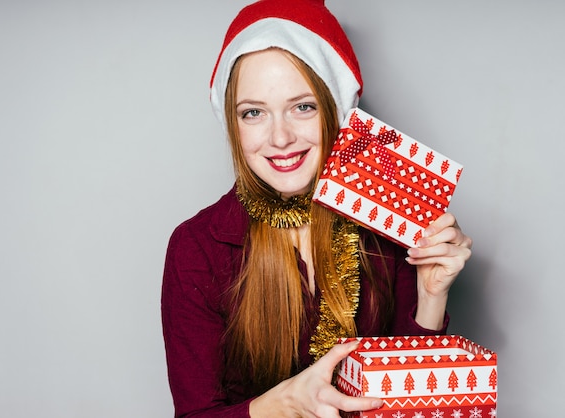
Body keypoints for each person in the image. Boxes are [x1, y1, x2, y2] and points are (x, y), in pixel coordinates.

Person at [161, 0, 472, 416]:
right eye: (253, 113)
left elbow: (409, 402)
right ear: (233, 126)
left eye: (302, 107)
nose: (281, 137)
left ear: (335, 112)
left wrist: (431, 296)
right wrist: (281, 404)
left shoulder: (387, 223)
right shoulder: (196, 248)